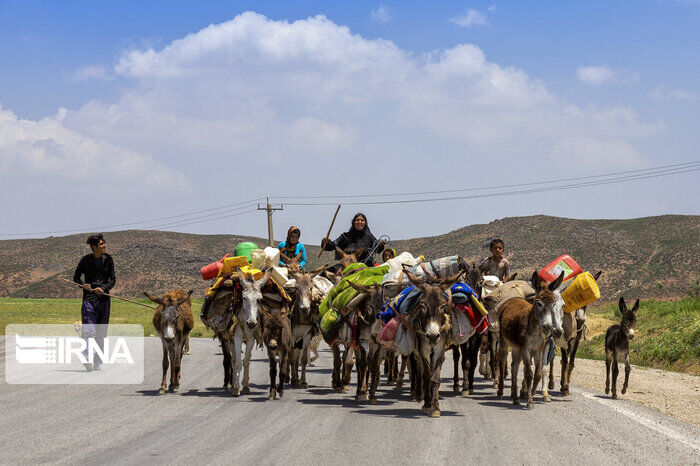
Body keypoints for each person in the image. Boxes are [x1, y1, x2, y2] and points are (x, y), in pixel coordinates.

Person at [73, 234, 116, 371]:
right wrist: (83, 285)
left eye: (104, 243)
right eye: (102, 244)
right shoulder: (85, 260)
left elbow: (112, 280)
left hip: (104, 300)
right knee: (89, 330)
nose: (105, 246)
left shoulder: (108, 259)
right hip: (89, 300)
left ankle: (97, 360)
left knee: (101, 333)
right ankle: (86, 357)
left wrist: (103, 288)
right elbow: (76, 278)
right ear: (94, 247)